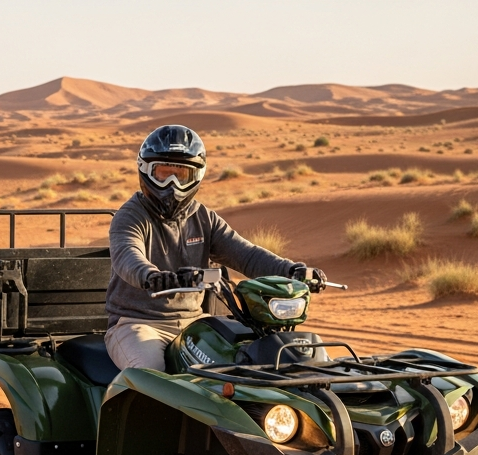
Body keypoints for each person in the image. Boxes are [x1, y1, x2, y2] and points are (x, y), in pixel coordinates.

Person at [104, 124, 327, 370]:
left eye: (182, 175)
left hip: (196, 321)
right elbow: (127, 254)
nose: (172, 184)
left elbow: (246, 255)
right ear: (145, 171)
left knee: (251, 362)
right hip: (139, 324)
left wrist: (290, 270)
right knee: (150, 377)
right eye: (163, 173)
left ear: (197, 176)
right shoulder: (130, 216)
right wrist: (151, 276)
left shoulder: (203, 217)